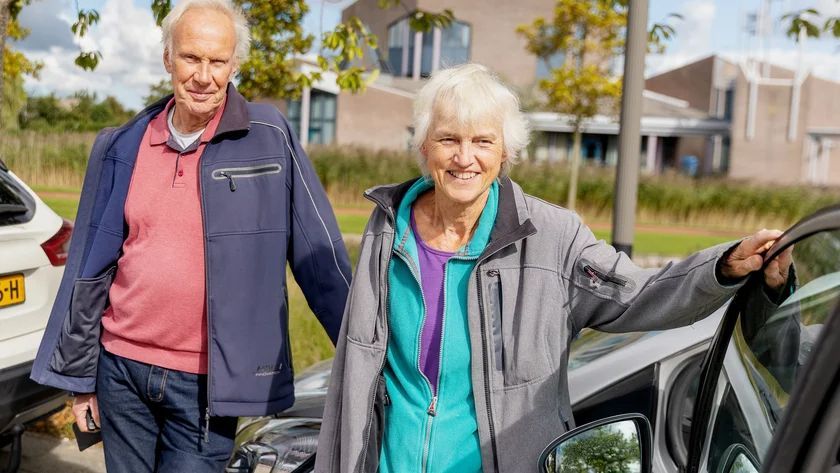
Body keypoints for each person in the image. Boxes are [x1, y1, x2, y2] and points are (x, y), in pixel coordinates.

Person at [314, 63, 792, 473]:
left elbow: (639, 295)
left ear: (505, 152)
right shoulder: (387, 228)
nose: (465, 157)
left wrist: (725, 265)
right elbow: (356, 370)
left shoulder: (551, 234)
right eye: (448, 139)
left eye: (483, 141)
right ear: (424, 148)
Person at [29, 0, 351, 470]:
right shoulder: (122, 144)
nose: (204, 75)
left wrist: (367, 355)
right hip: (121, 373)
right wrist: (80, 380)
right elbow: (87, 268)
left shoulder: (269, 136)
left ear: (234, 64)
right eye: (191, 58)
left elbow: (321, 260)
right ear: (167, 58)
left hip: (208, 384)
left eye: (217, 61)